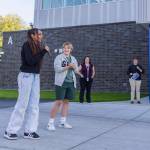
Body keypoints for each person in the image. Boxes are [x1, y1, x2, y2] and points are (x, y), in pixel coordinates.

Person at [4, 28, 50, 140]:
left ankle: (29, 131)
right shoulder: (26, 45)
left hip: (35, 76)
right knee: (22, 104)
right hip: (26, 76)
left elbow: (36, 63)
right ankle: (10, 131)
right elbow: (30, 61)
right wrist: (44, 51)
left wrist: (42, 50)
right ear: (32, 35)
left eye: (41, 34)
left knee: (34, 105)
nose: (41, 36)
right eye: (39, 34)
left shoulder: (38, 46)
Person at [47, 42, 78, 131]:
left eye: (68, 48)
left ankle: (62, 122)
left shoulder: (73, 58)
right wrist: (68, 66)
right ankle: (50, 123)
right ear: (63, 49)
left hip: (71, 82)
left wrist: (74, 67)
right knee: (58, 102)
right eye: (65, 48)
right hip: (61, 83)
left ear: (71, 50)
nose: (66, 50)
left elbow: (76, 69)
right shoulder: (59, 57)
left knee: (66, 102)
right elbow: (57, 69)